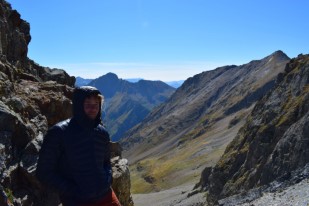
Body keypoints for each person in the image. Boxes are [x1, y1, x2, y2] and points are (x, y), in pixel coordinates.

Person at [36, 86, 121, 206]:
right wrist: (73, 191)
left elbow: (106, 161)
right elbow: (43, 172)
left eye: (96, 104)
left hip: (105, 194)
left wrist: (107, 179)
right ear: (78, 106)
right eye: (88, 104)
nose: (93, 109)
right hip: (77, 200)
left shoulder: (102, 132)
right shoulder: (59, 132)